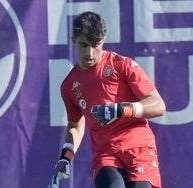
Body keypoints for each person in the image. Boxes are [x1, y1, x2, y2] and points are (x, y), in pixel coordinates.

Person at [49, 11, 166, 188]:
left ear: (103, 40)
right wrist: (66, 156)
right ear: (73, 40)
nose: (89, 53)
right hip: (106, 155)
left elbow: (158, 105)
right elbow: (75, 125)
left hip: (139, 147)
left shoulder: (122, 65)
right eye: (83, 45)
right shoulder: (69, 85)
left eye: (95, 45)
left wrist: (121, 109)